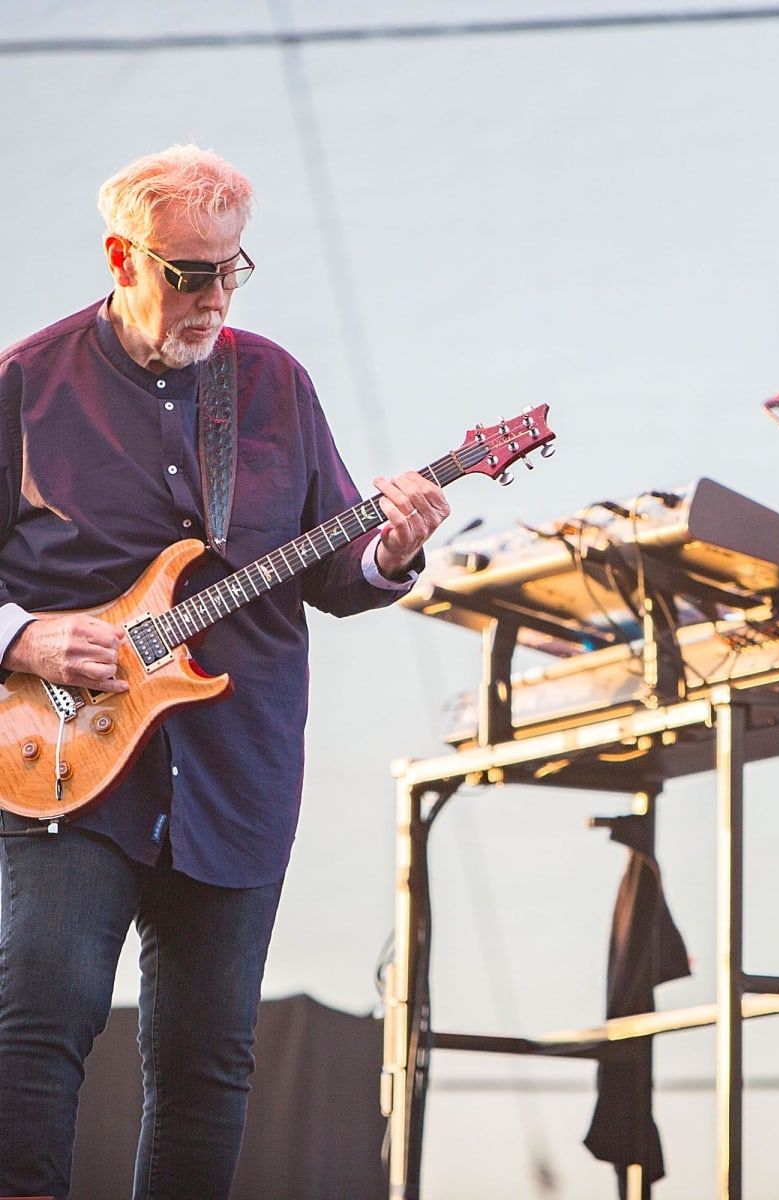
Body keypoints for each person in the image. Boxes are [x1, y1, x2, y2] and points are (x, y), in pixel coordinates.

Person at [0, 145, 450, 1199]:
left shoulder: (274, 384)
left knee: (209, 1066)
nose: (213, 296)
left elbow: (338, 568)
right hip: (60, 763)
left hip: (233, 770)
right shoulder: (24, 386)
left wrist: (391, 549)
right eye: (188, 271)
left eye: (231, 269)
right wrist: (19, 635)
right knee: (38, 1034)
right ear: (123, 256)